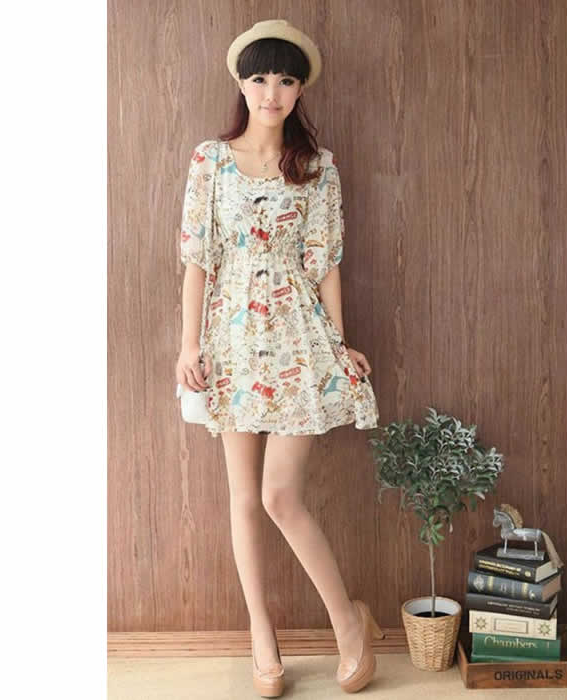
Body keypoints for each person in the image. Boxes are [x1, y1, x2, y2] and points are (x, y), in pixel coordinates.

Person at [174, 19, 383, 697]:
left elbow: (326, 262)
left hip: (297, 335)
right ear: (242, 84)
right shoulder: (210, 161)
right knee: (242, 498)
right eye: (260, 78)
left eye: (286, 79)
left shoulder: (318, 168)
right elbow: (198, 260)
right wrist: (188, 346)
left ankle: (349, 623)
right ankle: (261, 638)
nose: (272, 92)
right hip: (231, 342)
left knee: (278, 496)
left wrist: (339, 341)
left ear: (299, 90)